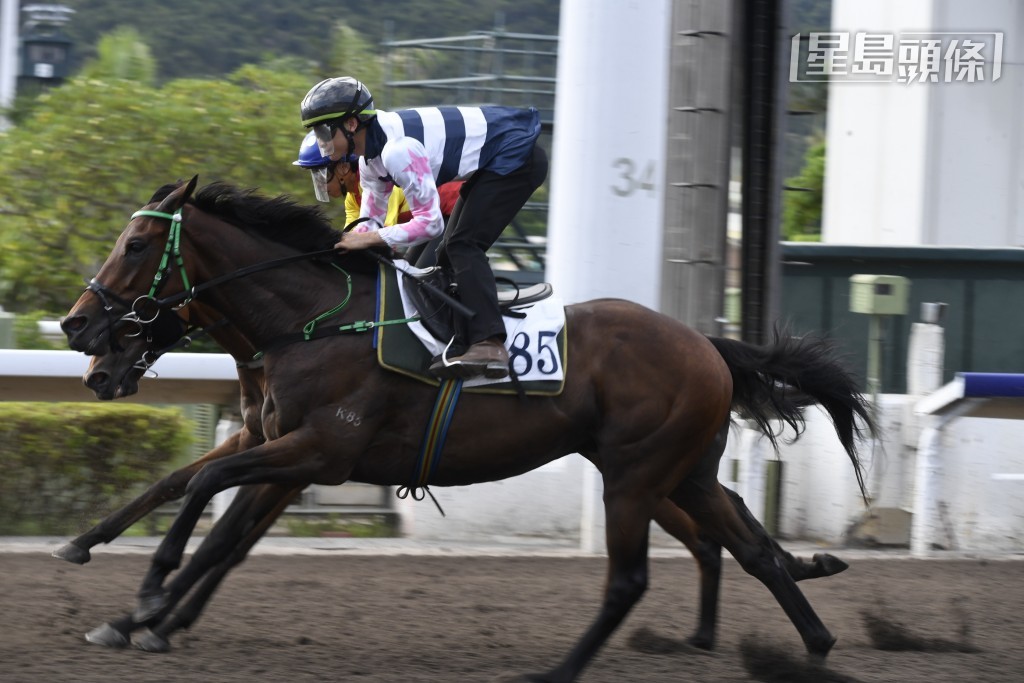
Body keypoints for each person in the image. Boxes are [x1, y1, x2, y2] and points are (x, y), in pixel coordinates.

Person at [299, 76, 547, 380]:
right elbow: (368, 226)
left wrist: (369, 239)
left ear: (351, 124)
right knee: (445, 254)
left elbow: (430, 225)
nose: (321, 141)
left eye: (324, 131)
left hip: (516, 157)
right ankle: (460, 342)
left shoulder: (396, 151)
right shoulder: (369, 162)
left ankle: (490, 343)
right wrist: (336, 245)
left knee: (461, 246)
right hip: (490, 162)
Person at [293, 130, 462, 265]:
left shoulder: (379, 182)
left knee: (422, 275)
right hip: (433, 220)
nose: (320, 185)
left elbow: (384, 236)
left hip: (454, 207)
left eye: (321, 176)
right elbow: (354, 237)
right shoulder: (352, 199)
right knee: (412, 275)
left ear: (343, 168)